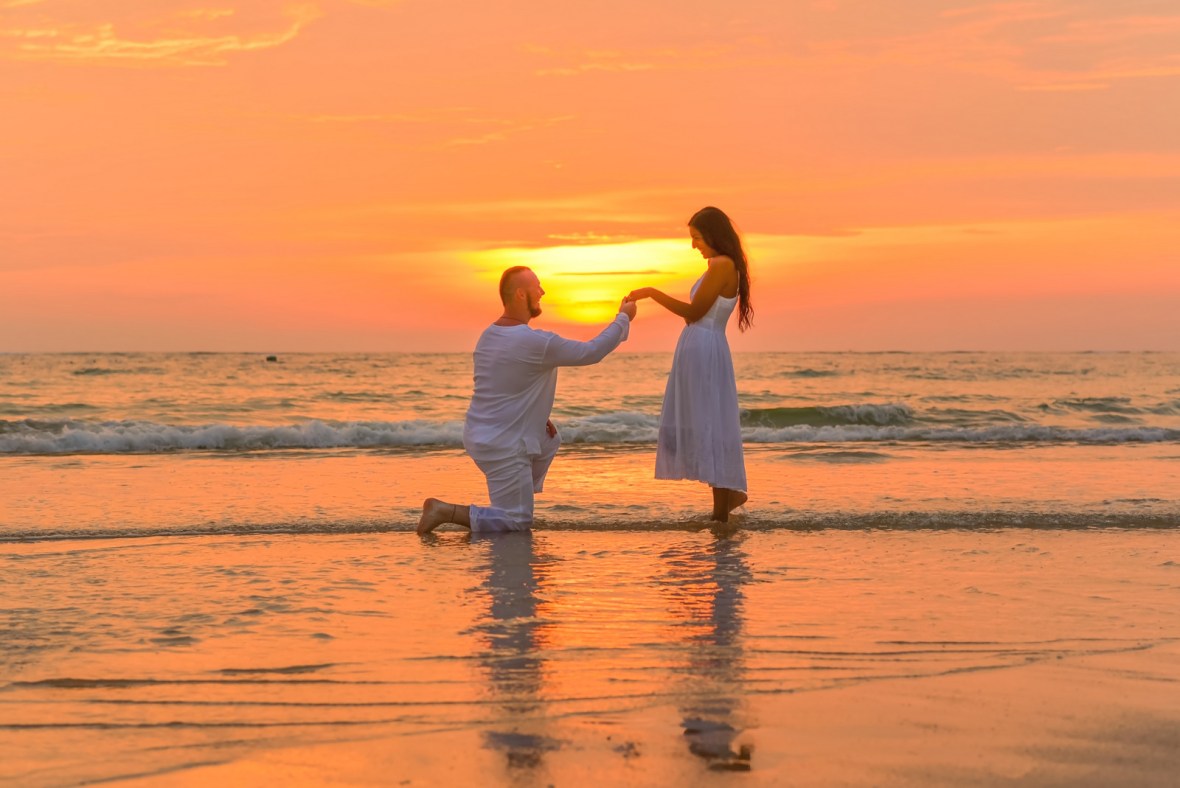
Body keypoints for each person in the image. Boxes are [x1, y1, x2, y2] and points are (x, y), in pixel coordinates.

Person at [418, 266, 637, 534]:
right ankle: (445, 510)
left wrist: (538, 415)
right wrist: (623, 318)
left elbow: (504, 385)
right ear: (521, 295)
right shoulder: (536, 342)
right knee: (518, 523)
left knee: (549, 439)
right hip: (504, 443)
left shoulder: (490, 334)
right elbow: (591, 352)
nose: (543, 291)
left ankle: (514, 497)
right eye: (537, 287)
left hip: (481, 434)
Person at [626, 206, 753, 522]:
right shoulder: (716, 265)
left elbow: (695, 313)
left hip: (705, 347)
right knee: (705, 421)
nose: (693, 245)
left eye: (696, 238)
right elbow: (692, 313)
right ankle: (723, 504)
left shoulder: (723, 265)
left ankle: (722, 508)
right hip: (699, 346)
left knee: (710, 423)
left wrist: (652, 293)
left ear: (712, 235)